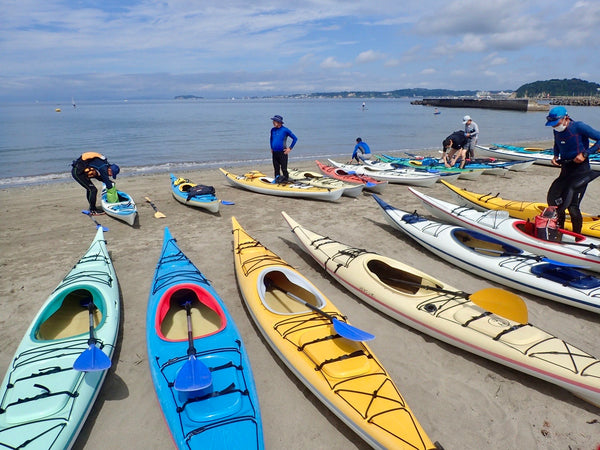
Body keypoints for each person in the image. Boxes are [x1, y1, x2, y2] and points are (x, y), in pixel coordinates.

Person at [545, 106, 600, 234]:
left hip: (581, 171)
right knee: (556, 202)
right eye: (552, 125)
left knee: (572, 207)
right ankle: (560, 232)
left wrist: (585, 154)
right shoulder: (556, 130)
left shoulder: (579, 127)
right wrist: (555, 156)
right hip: (566, 169)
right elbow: (557, 143)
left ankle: (576, 237)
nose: (555, 127)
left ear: (566, 118)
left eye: (556, 123)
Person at [269, 115, 297, 183]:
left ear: (279, 122)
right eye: (273, 121)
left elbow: (295, 138)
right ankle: (277, 180)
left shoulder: (285, 130)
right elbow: (271, 139)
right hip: (275, 153)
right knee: (276, 169)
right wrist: (271, 147)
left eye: (274, 121)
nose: (273, 122)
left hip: (283, 153)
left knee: (284, 169)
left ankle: (286, 180)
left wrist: (289, 148)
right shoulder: (272, 130)